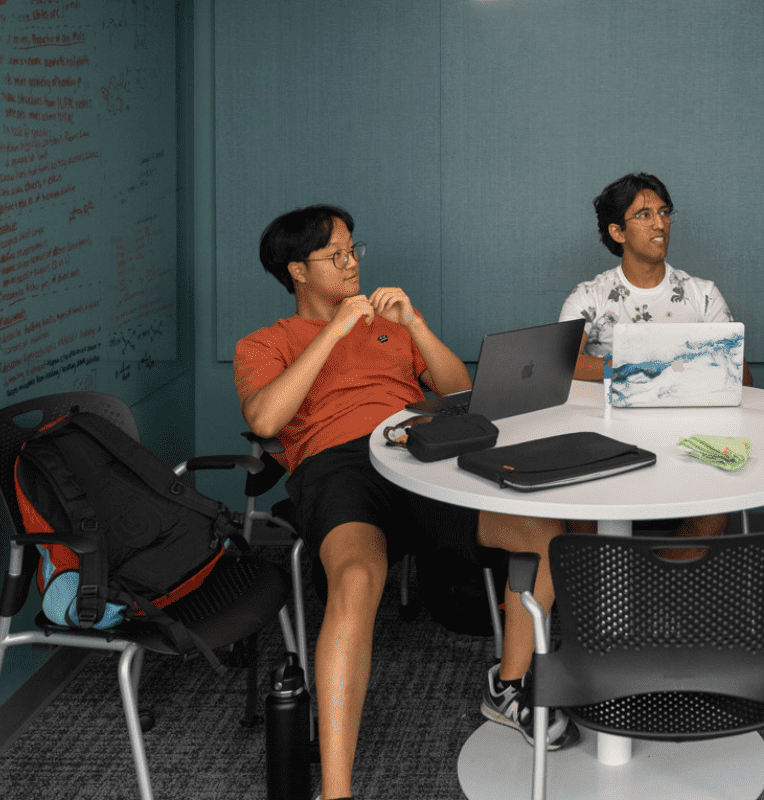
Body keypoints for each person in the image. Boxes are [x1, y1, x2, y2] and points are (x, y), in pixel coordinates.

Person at [234, 205, 575, 800]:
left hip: (419, 451)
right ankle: (336, 791)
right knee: (359, 579)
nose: (350, 263)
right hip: (338, 467)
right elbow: (264, 417)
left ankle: (509, 686)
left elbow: (459, 392)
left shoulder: (389, 327)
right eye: (334, 255)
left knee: (543, 531)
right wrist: (335, 330)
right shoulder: (266, 342)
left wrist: (415, 325)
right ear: (297, 272)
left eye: (352, 250)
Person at [559, 173, 751, 542]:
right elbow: (561, 364)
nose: (660, 223)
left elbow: (742, 377)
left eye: (664, 212)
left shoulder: (703, 295)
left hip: (688, 433)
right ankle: (588, 578)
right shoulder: (590, 296)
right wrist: (628, 369)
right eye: (644, 215)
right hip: (606, 432)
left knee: (716, 511)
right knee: (574, 502)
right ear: (618, 232)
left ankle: (661, 581)